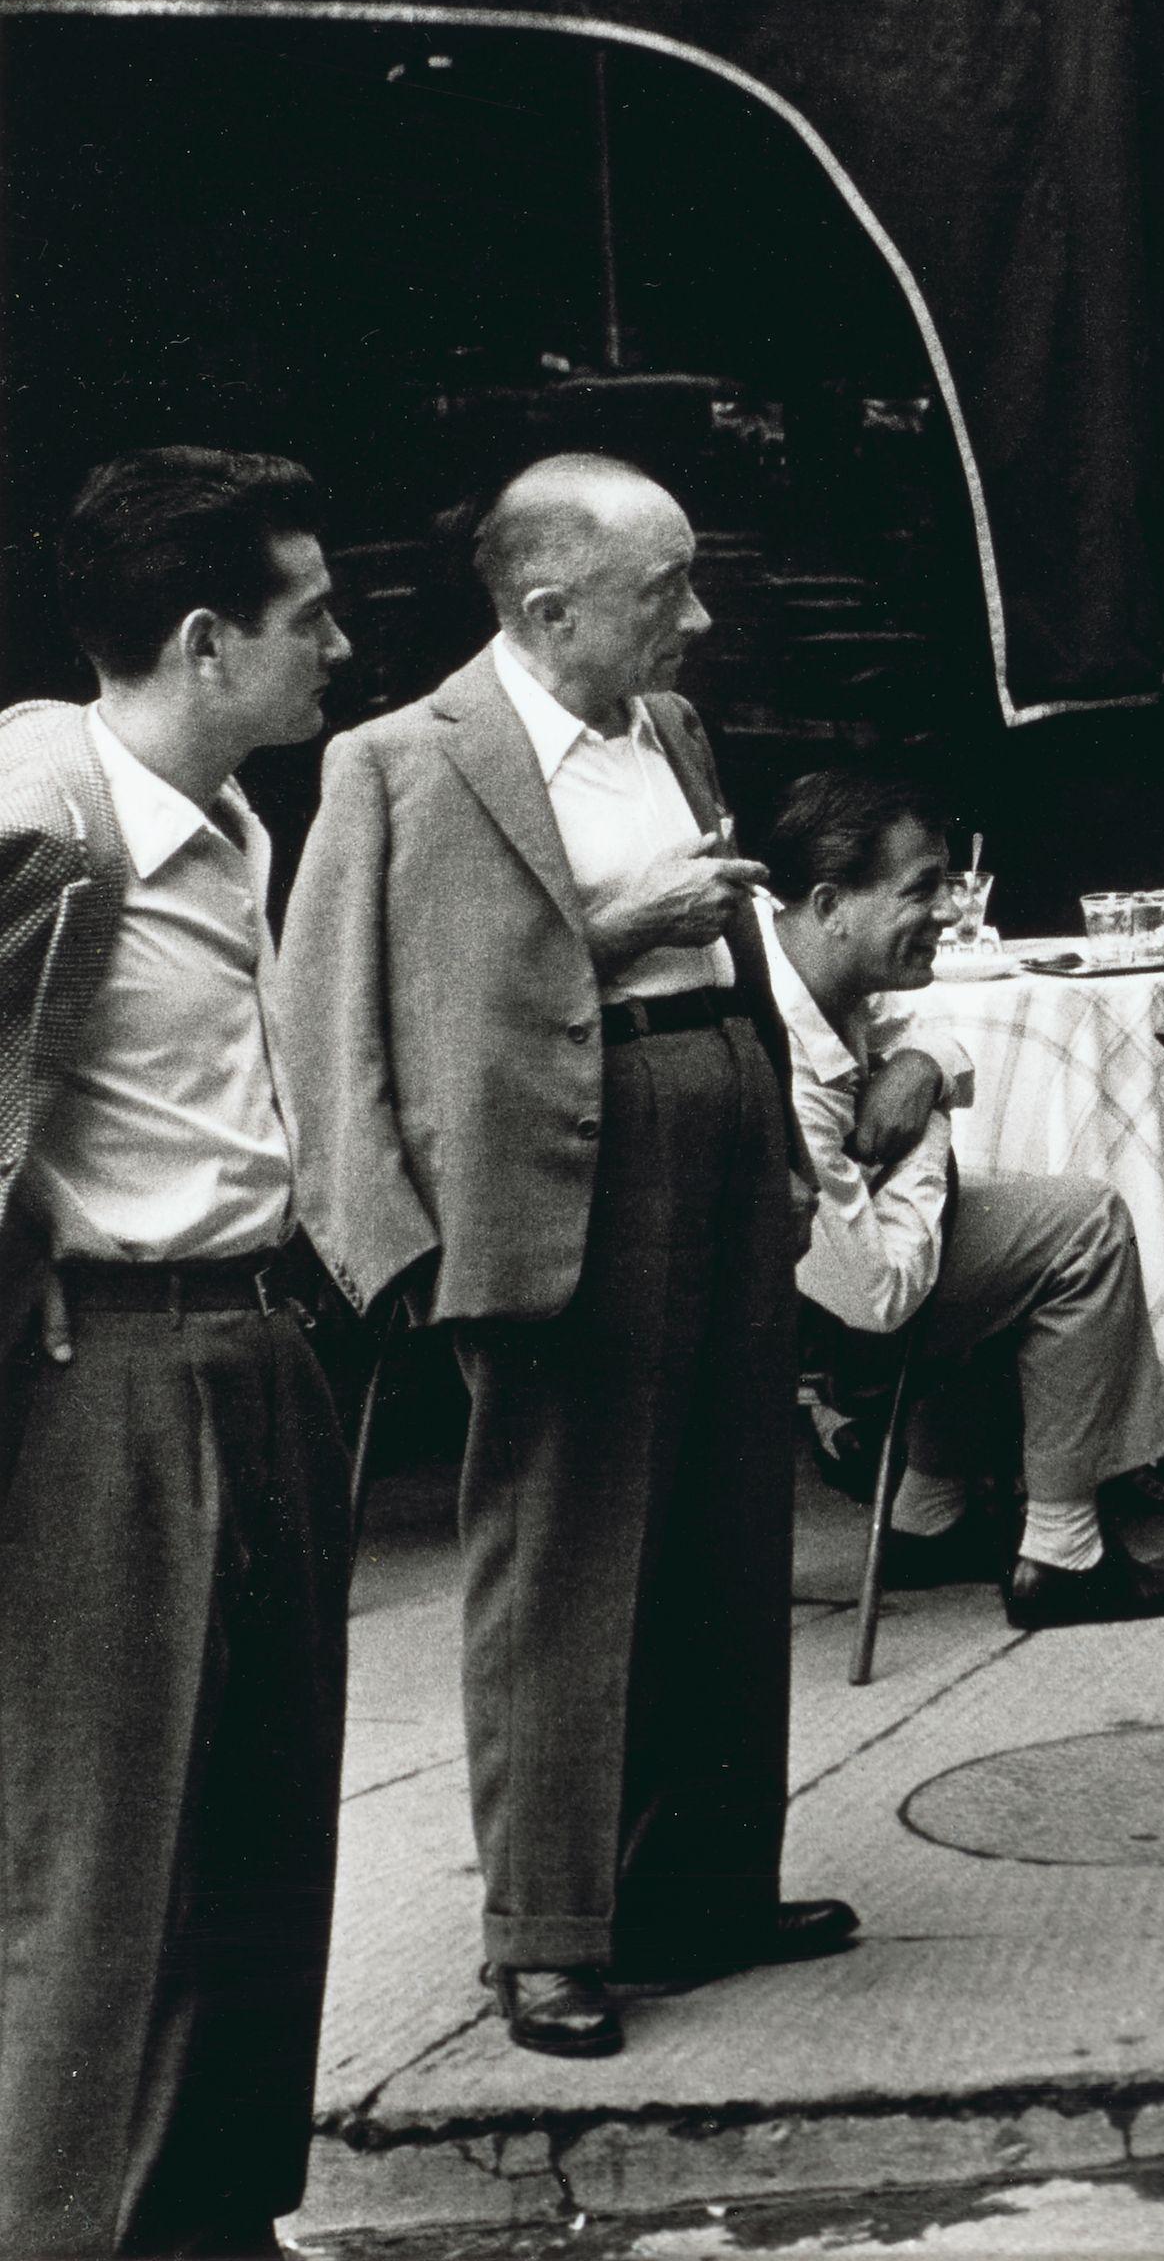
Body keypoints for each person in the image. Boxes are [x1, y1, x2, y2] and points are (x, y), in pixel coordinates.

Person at [277, 455, 844, 2061]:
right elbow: (330, 1025)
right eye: (667, 592)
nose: (701, 618)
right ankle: (545, 1934)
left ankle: (707, 1888)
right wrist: (384, 1248)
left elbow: (735, 956)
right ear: (549, 606)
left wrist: (787, 1152)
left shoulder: (671, 730)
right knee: (561, 1559)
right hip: (547, 1175)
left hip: (713, 1130)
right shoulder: (397, 764)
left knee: (730, 1528)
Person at [0, 452, 353, 2257]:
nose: (341, 649)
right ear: (208, 641)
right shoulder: (41, 798)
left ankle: (216, 2224)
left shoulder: (222, 818)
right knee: (103, 1866)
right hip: (108, 1384)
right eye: (311, 618)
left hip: (252, 1349)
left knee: (257, 1846)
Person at [753, 767, 1164, 1630]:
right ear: (829, 903)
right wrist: (924, 1133)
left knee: (993, 1223)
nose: (949, 912)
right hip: (817, 1328)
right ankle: (1066, 1553)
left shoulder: (815, 967)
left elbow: (921, 1036)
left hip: (838, 1271)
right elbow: (878, 1299)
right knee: (1084, 1228)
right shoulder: (789, 1055)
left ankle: (932, 1512)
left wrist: (921, 1070)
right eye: (921, 890)